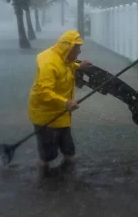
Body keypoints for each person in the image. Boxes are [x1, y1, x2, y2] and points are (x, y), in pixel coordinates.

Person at [27, 30, 91, 176]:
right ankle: (44, 183)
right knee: (47, 155)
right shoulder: (49, 64)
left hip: (60, 112)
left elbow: (65, 65)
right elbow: (44, 92)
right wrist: (66, 103)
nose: (80, 51)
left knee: (69, 150)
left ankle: (67, 180)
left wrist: (78, 65)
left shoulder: (63, 57)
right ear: (68, 48)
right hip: (44, 114)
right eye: (77, 49)